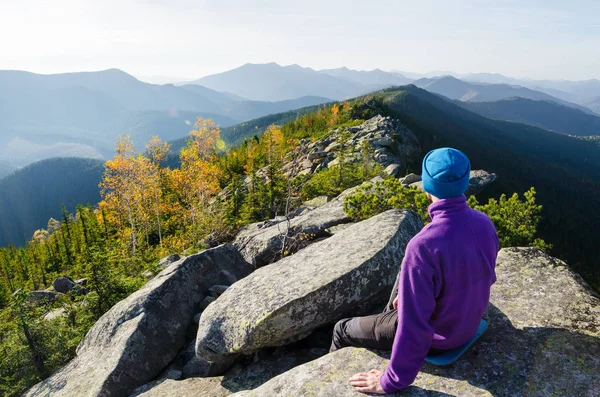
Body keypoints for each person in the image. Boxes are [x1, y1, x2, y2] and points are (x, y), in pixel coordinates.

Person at [330, 147, 500, 394]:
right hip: (468, 325)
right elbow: (481, 275)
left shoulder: (423, 245)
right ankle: (388, 316)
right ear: (465, 182)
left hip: (439, 340)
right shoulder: (484, 223)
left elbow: (414, 326)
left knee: (341, 329)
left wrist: (390, 381)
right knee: (404, 276)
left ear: (427, 185)